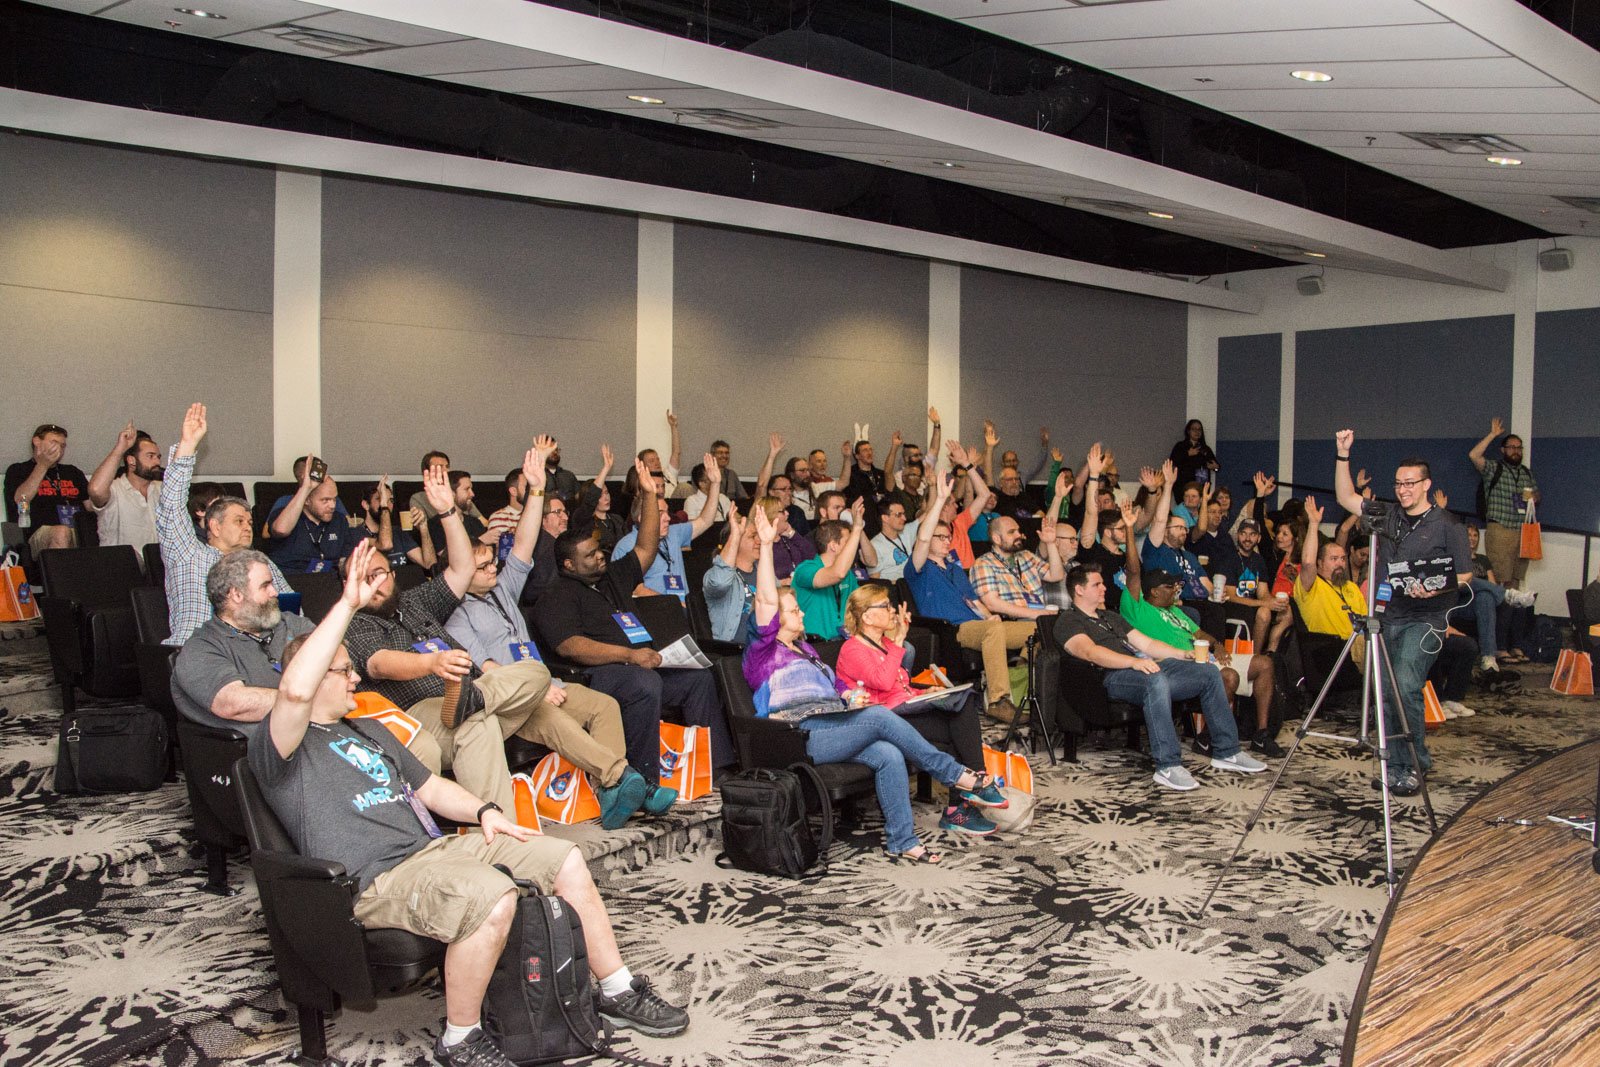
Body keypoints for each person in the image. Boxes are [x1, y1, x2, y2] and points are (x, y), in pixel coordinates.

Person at [248, 551, 688, 1066]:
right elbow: (295, 691)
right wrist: (347, 604)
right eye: (342, 671)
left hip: (431, 853)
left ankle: (615, 986)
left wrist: (483, 812)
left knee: (562, 858)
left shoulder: (368, 728)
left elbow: (431, 788)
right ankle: (460, 1038)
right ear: (313, 677)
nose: (353, 680)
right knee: (496, 895)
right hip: (373, 880)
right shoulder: (280, 747)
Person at [743, 505, 1005, 863]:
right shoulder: (764, 652)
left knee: (888, 753)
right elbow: (766, 597)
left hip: (831, 726)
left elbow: (836, 687)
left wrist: (851, 695)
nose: (801, 613)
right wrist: (768, 545)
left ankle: (903, 840)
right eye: (793, 611)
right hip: (796, 734)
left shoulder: (807, 650)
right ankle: (957, 776)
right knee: (881, 717)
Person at [444, 442, 670, 828]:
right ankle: (624, 779)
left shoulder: (503, 586)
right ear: (462, 570)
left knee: (604, 706)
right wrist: (532, 684)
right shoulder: (455, 614)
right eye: (482, 566)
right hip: (509, 700)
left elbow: (524, 544)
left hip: (545, 683)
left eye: (491, 562)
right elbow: (488, 668)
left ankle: (612, 796)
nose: (492, 568)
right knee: (555, 715)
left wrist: (535, 489)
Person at [343, 465, 557, 820]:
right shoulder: (354, 622)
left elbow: (460, 568)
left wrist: (447, 512)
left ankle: (476, 700)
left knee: (535, 673)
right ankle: (500, 833)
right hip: (418, 710)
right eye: (363, 578)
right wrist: (432, 664)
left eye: (380, 574)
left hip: (466, 693)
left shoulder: (414, 602)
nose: (375, 584)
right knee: (479, 723)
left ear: (393, 576)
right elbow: (379, 662)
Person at [536, 461, 736, 779]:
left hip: (643, 662)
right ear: (569, 565)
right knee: (645, 684)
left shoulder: (613, 576)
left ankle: (714, 767)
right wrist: (629, 655)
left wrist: (648, 493)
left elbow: (647, 545)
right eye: (590, 555)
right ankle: (644, 777)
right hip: (600, 674)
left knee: (698, 679)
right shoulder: (557, 594)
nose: (601, 556)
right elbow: (571, 646)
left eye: (600, 550)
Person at [1334, 430, 1472, 797]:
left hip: (1426, 620)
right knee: (1386, 693)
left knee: (1407, 687)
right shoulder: (1388, 515)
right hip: (1386, 618)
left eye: (1410, 483)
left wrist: (1436, 586)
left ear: (1426, 484)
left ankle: (1414, 764)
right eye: (1398, 483)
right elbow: (1346, 497)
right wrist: (1342, 455)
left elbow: (1464, 574)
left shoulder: (1448, 525)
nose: (1403, 489)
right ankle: (1395, 764)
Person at [1058, 566, 1266, 791]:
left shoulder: (1110, 617)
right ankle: (1167, 766)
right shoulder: (1069, 621)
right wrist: (1133, 662)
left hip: (1142, 668)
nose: (1104, 587)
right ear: (1079, 590)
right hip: (1110, 677)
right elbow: (1090, 652)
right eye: (1097, 584)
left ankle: (1228, 751)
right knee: (1155, 679)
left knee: (1207, 672)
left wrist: (1182, 653)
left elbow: (1146, 644)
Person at [835, 584, 997, 835]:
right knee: (958, 723)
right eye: (885, 606)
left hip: (908, 709)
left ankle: (973, 787)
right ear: (866, 616)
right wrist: (899, 641)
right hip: (886, 721)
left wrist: (925, 693)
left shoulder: (884, 643)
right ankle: (969, 795)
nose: (892, 611)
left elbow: (902, 687)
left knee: (963, 703)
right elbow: (884, 683)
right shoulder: (852, 649)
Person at [1122, 547, 1282, 758]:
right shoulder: (1137, 608)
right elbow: (1134, 572)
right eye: (1170, 586)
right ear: (1154, 591)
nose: (1175, 590)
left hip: (1206, 657)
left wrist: (1218, 645)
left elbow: (1200, 633)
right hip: (1179, 664)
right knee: (1228, 676)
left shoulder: (1176, 610)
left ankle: (1261, 735)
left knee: (1264, 664)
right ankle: (1206, 739)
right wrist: (1129, 528)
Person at [156, 404, 292, 645]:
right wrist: (187, 447)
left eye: (250, 522)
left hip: (254, 655)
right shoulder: (188, 555)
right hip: (198, 655)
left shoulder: (259, 561)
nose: (248, 527)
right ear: (214, 527)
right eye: (238, 521)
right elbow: (171, 505)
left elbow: (291, 608)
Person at [905, 472, 1033, 722]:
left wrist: (991, 615)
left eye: (948, 537)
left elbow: (973, 601)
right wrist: (940, 500)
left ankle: (1018, 681)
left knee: (1038, 629)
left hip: (979, 624)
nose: (946, 541)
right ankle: (997, 700)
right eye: (939, 537)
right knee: (992, 631)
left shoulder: (954, 567)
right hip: (954, 630)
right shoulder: (918, 569)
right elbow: (922, 537)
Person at [611, 452, 722, 598]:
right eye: (660, 513)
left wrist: (715, 484)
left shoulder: (673, 533)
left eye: (667, 512)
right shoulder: (626, 546)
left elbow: (705, 520)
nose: (668, 518)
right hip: (655, 612)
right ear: (641, 517)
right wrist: (673, 606)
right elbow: (632, 590)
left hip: (684, 611)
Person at [1468, 417, 1539, 590]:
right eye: (1512, 447)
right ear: (1503, 450)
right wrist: (1493, 434)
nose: (1516, 451)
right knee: (1499, 578)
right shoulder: (1494, 468)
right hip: (1500, 529)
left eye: (1519, 448)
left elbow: (1537, 494)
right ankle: (1498, 615)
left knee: (1515, 580)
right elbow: (1474, 455)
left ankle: (1512, 614)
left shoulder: (1526, 473)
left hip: (1522, 532)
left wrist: (1533, 498)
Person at [791, 500, 870, 640]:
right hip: (817, 644)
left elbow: (860, 603)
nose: (853, 548)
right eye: (848, 542)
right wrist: (857, 528)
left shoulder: (848, 574)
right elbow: (836, 574)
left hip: (845, 640)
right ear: (833, 546)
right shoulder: (805, 569)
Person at [5, 422, 89, 553]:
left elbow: (91, 506)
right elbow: (21, 499)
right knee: (61, 532)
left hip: (78, 531)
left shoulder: (73, 472)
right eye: (54, 443)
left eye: (63, 445)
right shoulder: (18, 469)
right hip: (40, 533)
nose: (59, 449)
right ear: (37, 441)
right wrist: (43, 465)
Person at [264, 456, 357, 574]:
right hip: (292, 582)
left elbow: (344, 560)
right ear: (306, 500)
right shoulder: (284, 514)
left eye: (334, 499)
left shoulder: (339, 520)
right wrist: (306, 488)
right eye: (325, 500)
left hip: (329, 583)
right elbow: (281, 530)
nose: (332, 505)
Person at [84, 422, 163, 554]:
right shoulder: (114, 490)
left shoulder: (162, 490)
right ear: (131, 461)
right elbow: (96, 490)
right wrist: (120, 449)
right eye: (150, 456)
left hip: (158, 567)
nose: (157, 462)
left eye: (158, 457)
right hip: (122, 567)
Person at [970, 515, 1066, 621]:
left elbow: (1056, 576)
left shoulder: (1026, 556)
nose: (1018, 535)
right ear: (996, 539)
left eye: (1018, 530)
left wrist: (1050, 543)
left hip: (1039, 618)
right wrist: (1036, 614)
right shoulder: (983, 563)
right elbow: (992, 604)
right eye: (1011, 532)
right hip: (1013, 622)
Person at [1218, 518, 1289, 649]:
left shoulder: (1259, 560)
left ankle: (1266, 654)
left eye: (1252, 534)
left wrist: (1276, 603)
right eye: (1243, 533)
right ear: (1238, 535)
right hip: (1232, 607)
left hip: (1252, 606)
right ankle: (1255, 658)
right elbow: (1231, 596)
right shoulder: (1229, 559)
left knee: (1284, 611)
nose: (1247, 538)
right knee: (1264, 612)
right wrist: (1264, 603)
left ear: (1259, 538)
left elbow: (1263, 593)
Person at [703, 508, 760, 644]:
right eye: (752, 536)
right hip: (737, 652)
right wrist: (735, 536)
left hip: (768, 648)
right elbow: (720, 583)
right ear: (735, 541)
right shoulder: (713, 575)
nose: (759, 541)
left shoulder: (764, 571)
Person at [868, 497, 921, 583]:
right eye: (898, 515)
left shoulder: (906, 531)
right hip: (895, 590)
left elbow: (928, 514)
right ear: (885, 518)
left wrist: (933, 486)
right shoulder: (874, 545)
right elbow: (876, 583)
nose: (904, 518)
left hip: (912, 584)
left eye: (904, 514)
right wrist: (901, 584)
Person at [1169, 419, 1220, 489]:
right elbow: (1173, 462)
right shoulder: (1180, 446)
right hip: (1183, 486)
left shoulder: (1205, 448)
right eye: (1194, 429)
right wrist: (1187, 454)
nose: (1197, 432)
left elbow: (1217, 467)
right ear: (1188, 431)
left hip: (1201, 487)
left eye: (1199, 429)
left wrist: (1215, 468)